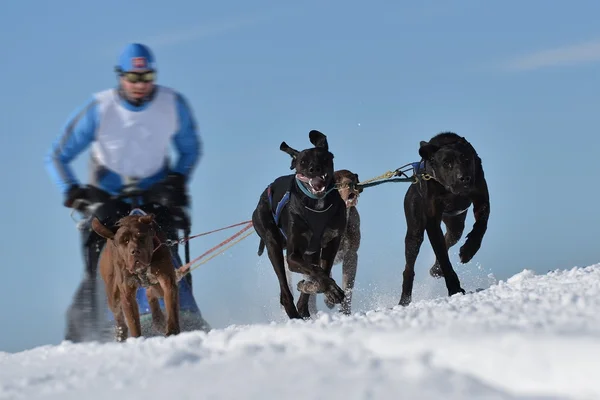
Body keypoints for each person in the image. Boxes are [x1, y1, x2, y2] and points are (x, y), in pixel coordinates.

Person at [45, 43, 209, 342]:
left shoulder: (172, 103)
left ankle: (179, 307)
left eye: (147, 77)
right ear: (121, 77)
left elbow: (191, 147)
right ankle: (110, 315)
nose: (140, 85)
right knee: (102, 248)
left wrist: (177, 179)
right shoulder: (100, 109)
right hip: (108, 195)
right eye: (133, 78)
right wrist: (72, 191)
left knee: (166, 238)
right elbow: (57, 157)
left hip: (155, 191)